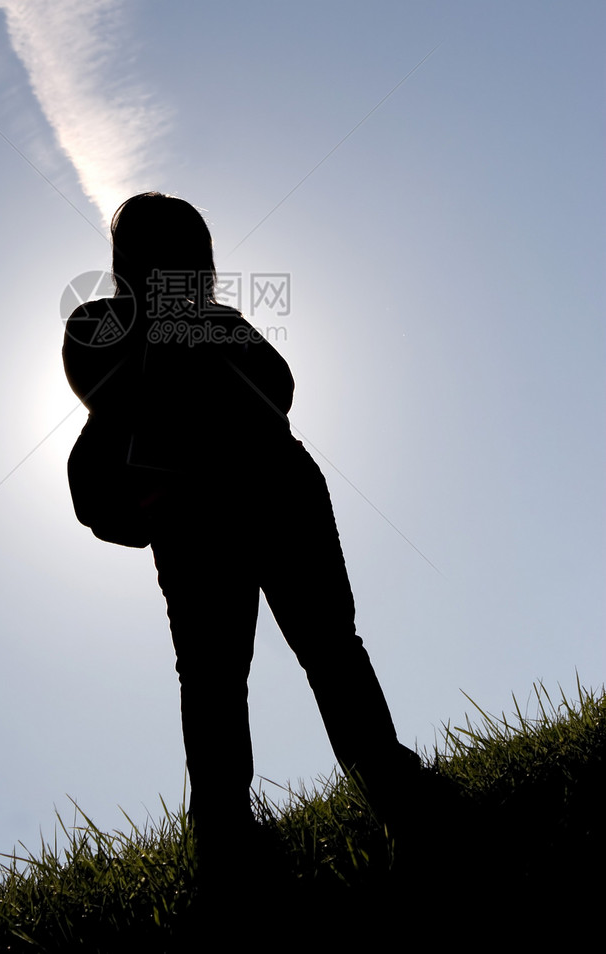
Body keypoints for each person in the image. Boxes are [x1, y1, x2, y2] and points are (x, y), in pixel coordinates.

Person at [62, 192, 420, 837]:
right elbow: (111, 392)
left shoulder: (220, 323)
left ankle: (392, 787)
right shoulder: (99, 322)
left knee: (327, 648)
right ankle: (224, 826)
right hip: (196, 515)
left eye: (191, 253)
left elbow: (276, 390)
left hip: (275, 490)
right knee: (215, 675)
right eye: (167, 252)